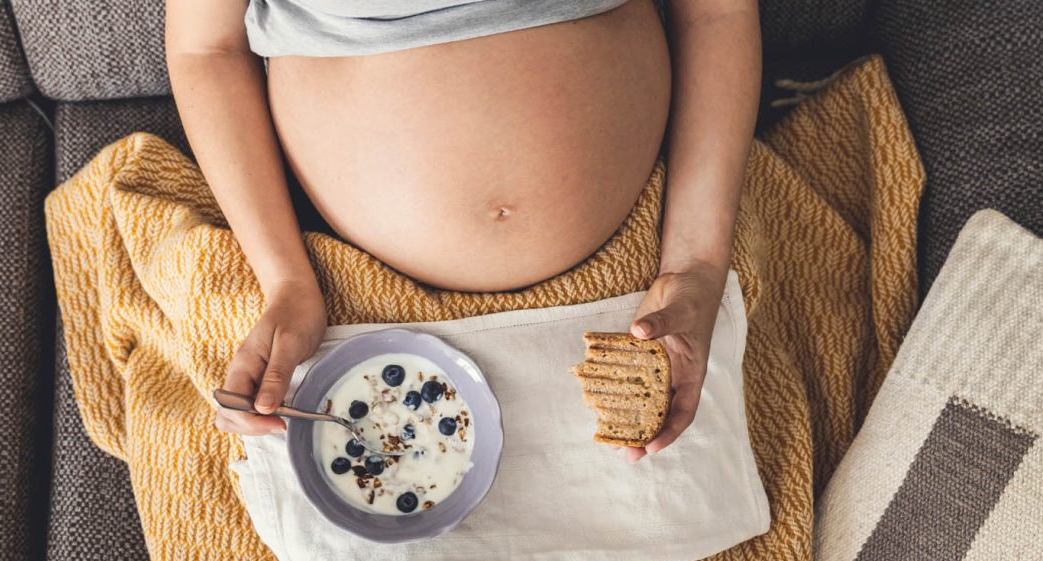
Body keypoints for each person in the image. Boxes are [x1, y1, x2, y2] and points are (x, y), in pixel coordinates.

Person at [166, 0, 760, 462]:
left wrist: (696, 265)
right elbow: (205, 50)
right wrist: (286, 281)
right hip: (342, 292)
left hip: (651, 270)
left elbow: (717, 12)